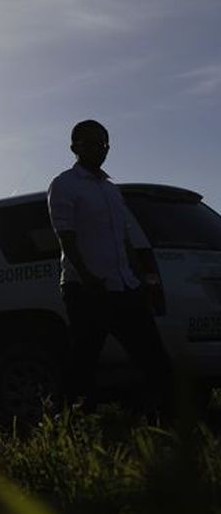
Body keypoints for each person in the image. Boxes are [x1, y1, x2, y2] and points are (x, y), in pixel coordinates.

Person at [47, 119, 170, 413]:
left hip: (124, 285)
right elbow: (65, 236)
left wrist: (138, 277)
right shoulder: (64, 185)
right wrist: (87, 276)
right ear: (75, 147)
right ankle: (58, 412)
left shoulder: (111, 190)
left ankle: (167, 418)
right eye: (91, 143)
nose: (99, 149)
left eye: (103, 144)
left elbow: (123, 238)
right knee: (84, 357)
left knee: (152, 355)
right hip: (87, 288)